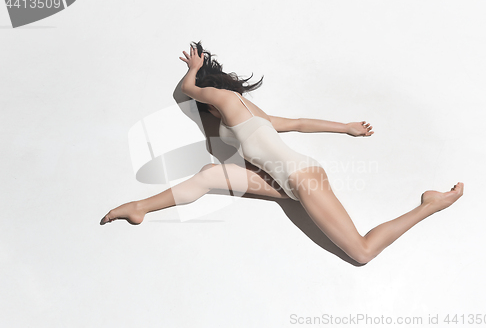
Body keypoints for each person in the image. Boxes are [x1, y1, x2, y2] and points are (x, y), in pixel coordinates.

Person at [100, 41, 464, 265]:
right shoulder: (245, 116)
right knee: (210, 176)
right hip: (286, 181)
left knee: (361, 253)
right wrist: (347, 128)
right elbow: (300, 123)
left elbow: (188, 90)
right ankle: (140, 207)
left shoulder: (226, 99)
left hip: (303, 178)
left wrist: (193, 71)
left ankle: (429, 204)